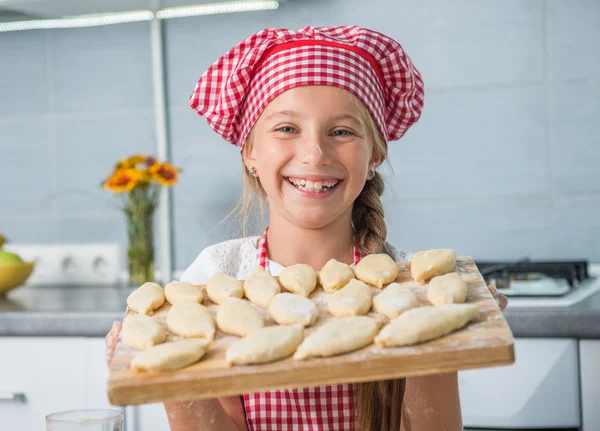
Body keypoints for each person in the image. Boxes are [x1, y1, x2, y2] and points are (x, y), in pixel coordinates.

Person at [105, 26, 508, 431]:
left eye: (342, 131)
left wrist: (443, 343)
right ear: (250, 152)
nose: (314, 154)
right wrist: (170, 378)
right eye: (286, 128)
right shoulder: (218, 277)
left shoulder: (408, 285)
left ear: (375, 156)